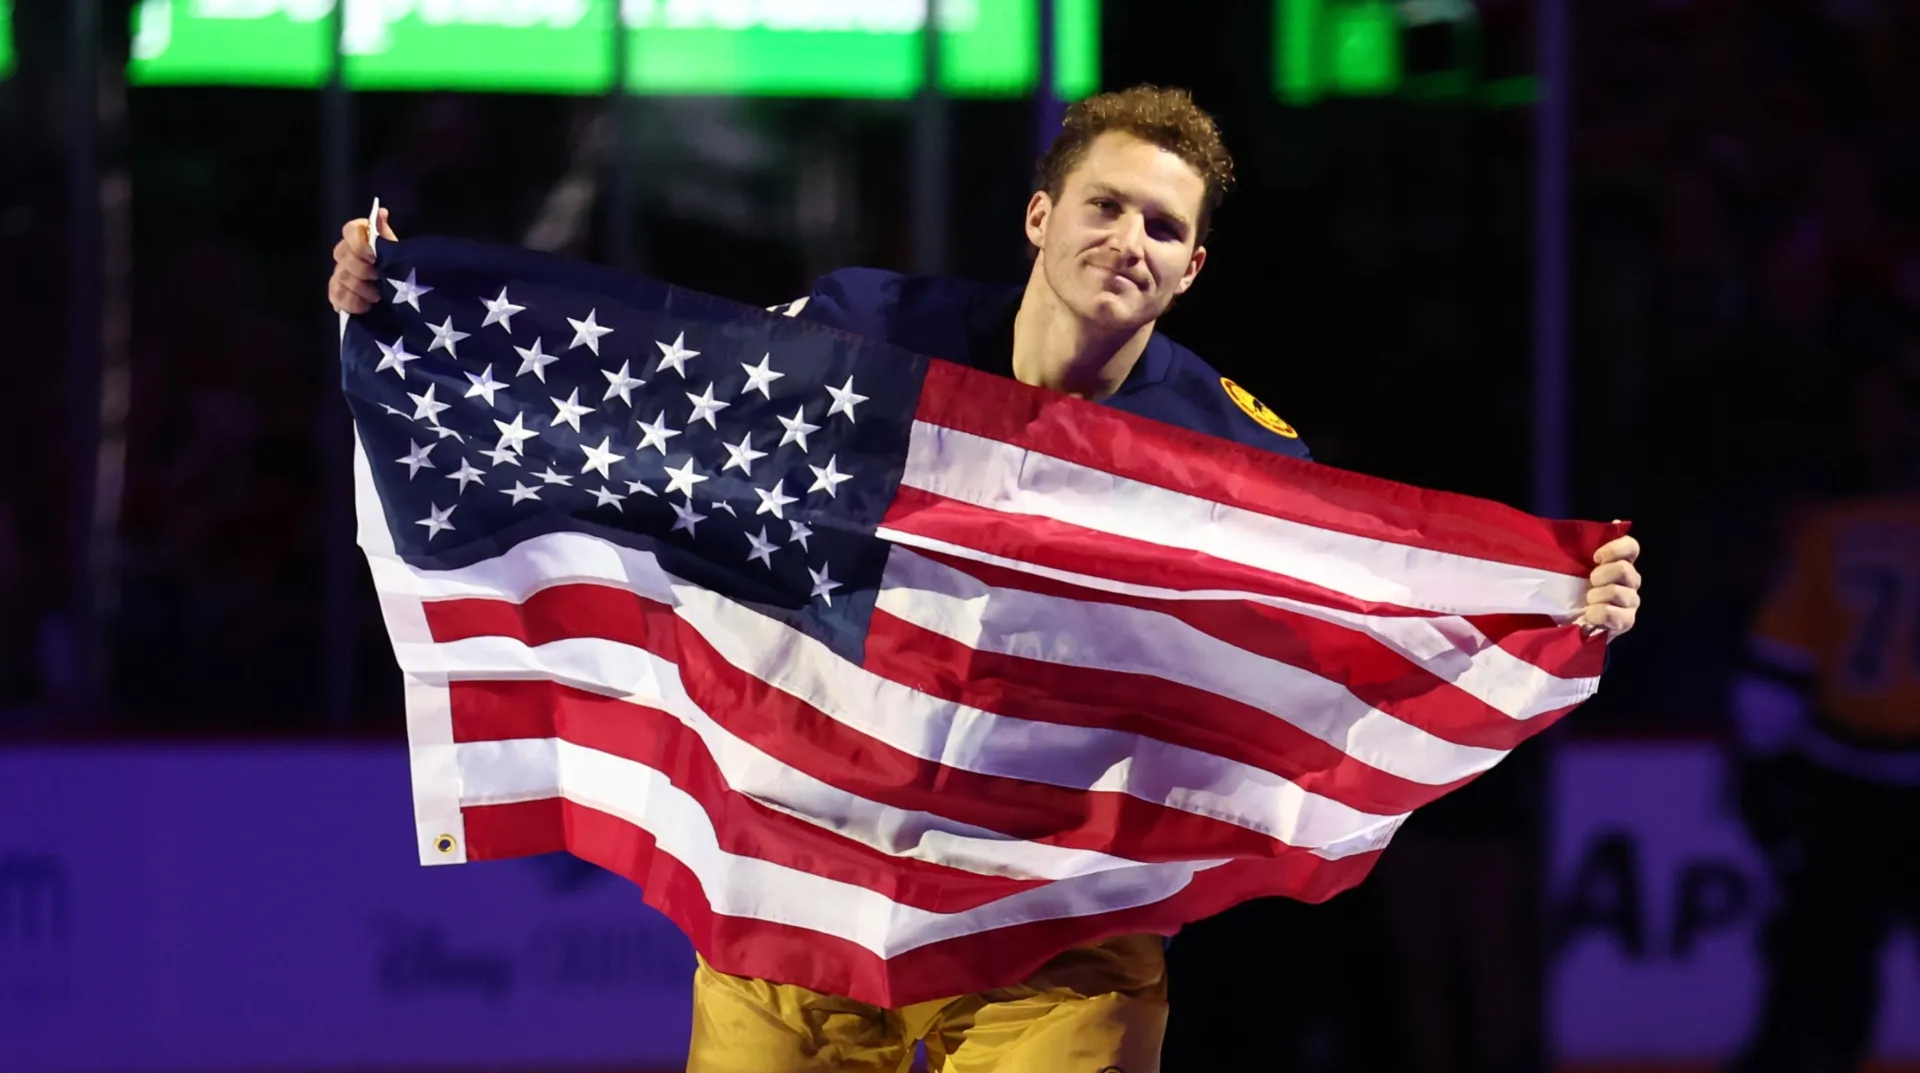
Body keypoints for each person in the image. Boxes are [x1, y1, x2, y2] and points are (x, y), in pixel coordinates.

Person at [329, 84, 1644, 1073]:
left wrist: (1555, 607)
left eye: (1164, 226)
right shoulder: (864, 339)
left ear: (1193, 269)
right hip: (792, 882)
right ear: (1039, 216)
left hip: (1053, 933)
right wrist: (406, 307)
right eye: (1106, 205)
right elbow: (646, 403)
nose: (1130, 237)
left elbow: (1371, 608)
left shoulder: (1234, 460)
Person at [1726, 356, 1920, 1073]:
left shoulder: (1831, 532)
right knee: (1820, 972)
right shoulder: (1831, 527)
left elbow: (1772, 679)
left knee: (1823, 987)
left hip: (1848, 787)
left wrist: (1764, 771)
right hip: (1853, 783)